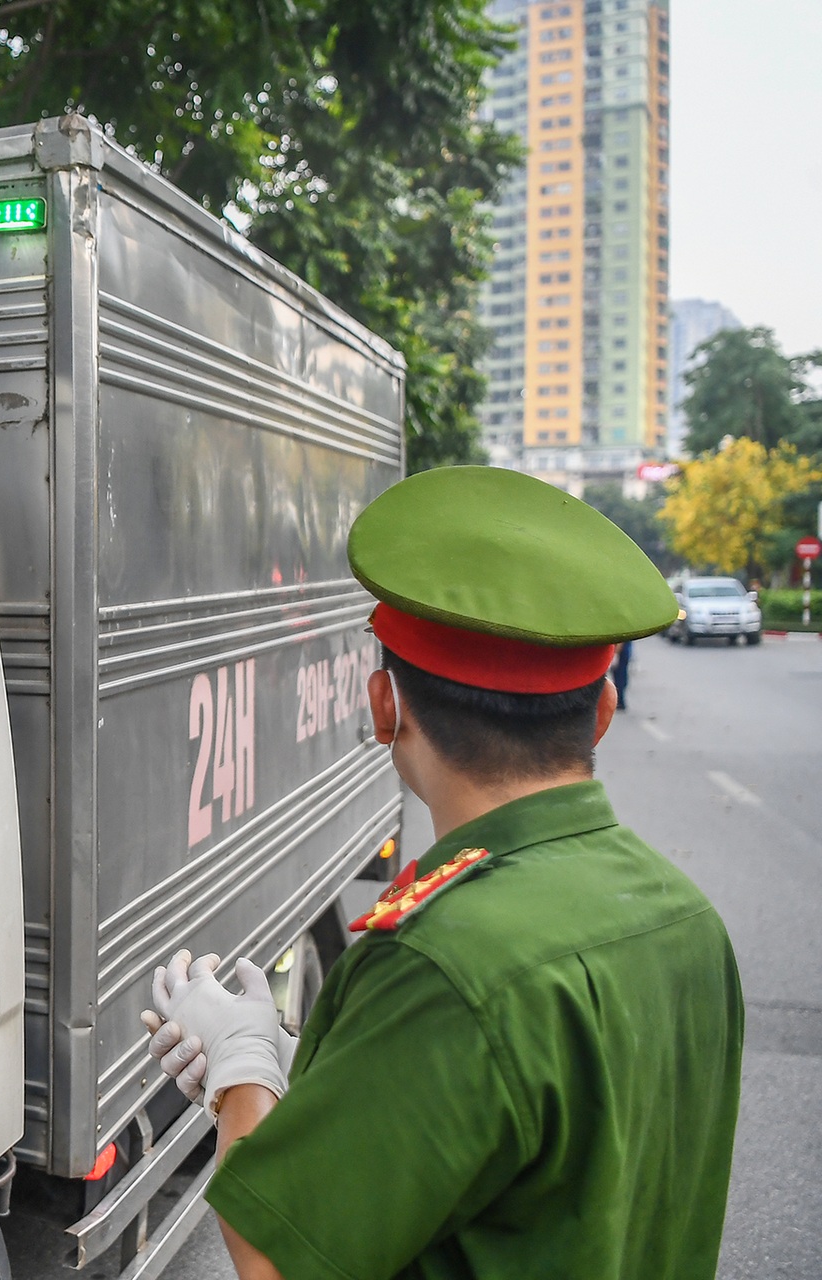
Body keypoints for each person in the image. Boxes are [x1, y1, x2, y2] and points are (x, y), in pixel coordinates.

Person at [142, 466, 742, 1280]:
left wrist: (242, 1069)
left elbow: (275, 1261)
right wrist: (323, 1084)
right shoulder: (689, 919)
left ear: (383, 706)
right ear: (602, 710)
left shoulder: (442, 965)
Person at [611, 638, 633, 709]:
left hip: (620, 651)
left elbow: (621, 640)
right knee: (621, 676)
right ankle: (619, 699)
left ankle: (619, 700)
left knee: (620, 676)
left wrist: (616, 653)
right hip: (622, 649)